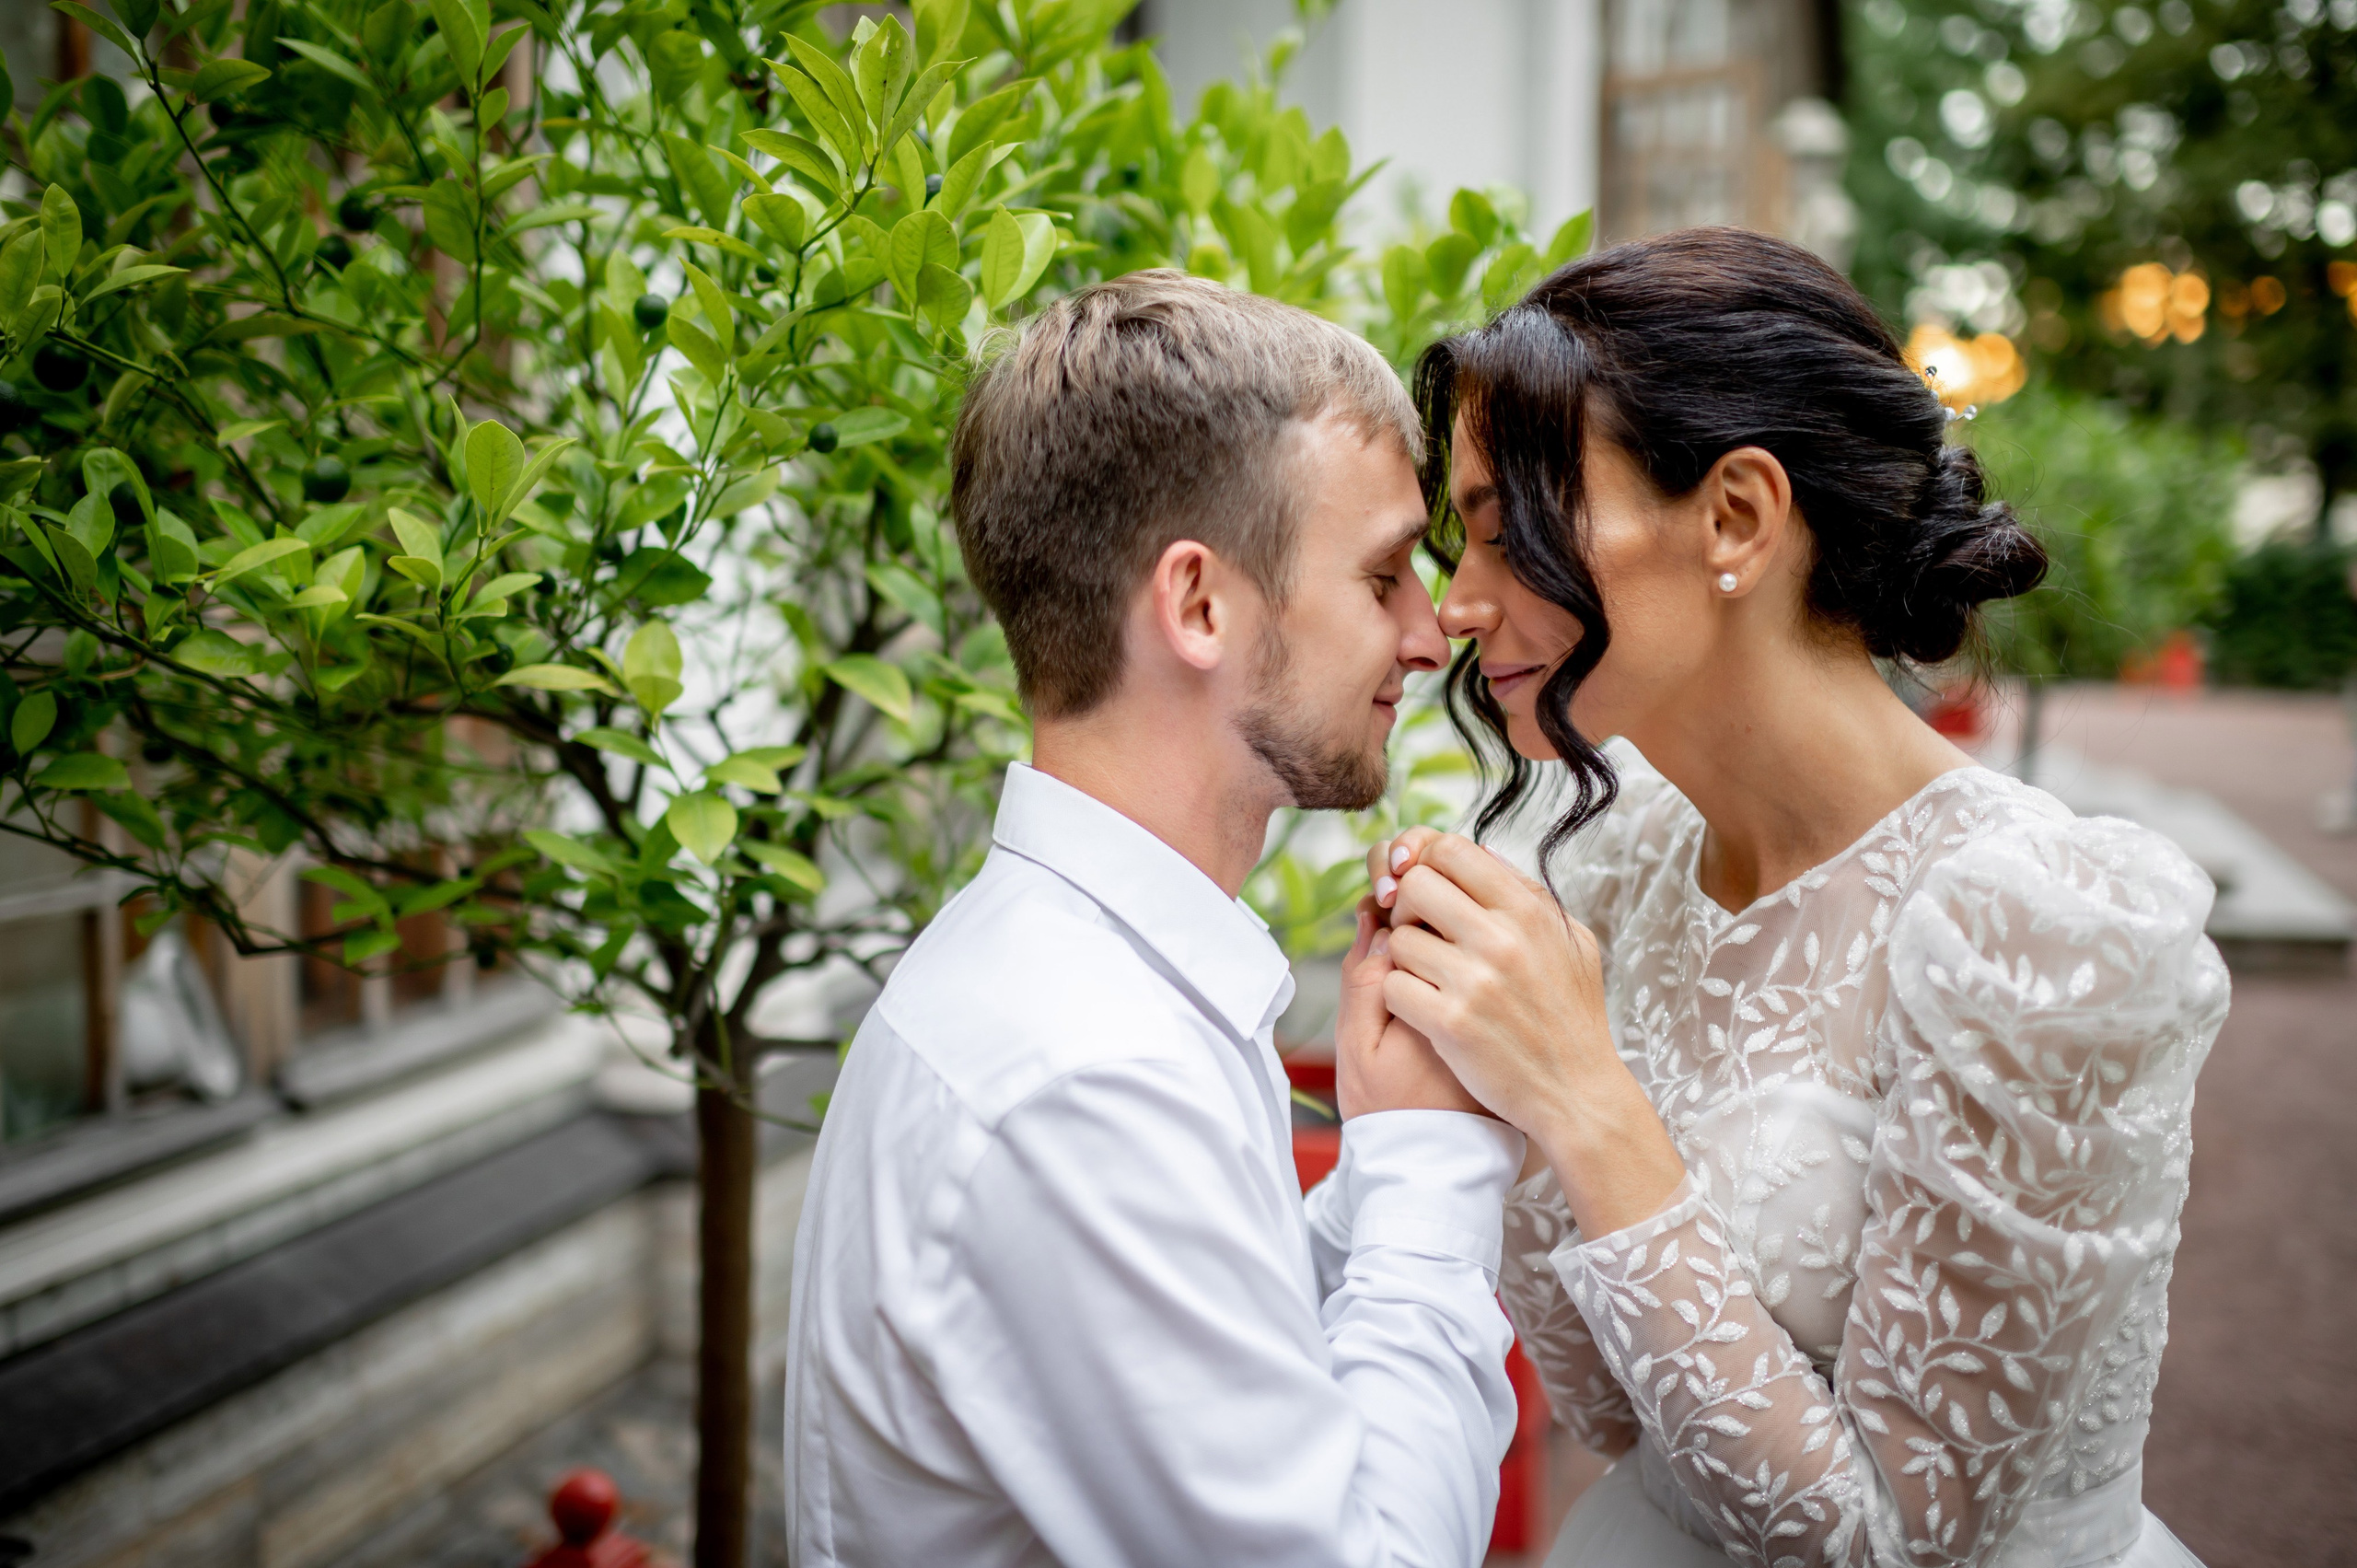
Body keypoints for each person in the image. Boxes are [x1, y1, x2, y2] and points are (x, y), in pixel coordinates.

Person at [1360, 228, 2228, 1568]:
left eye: (1507, 530)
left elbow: (1895, 1547)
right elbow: (1605, 1408)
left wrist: (1585, 1099)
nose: (1460, 607)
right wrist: (1492, 1089)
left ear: (1738, 518)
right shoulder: (1621, 863)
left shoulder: (2037, 928)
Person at [784, 271, 1534, 1567]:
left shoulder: (1093, 984)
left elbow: (1219, 1356)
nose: (1431, 633)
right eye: (1380, 576)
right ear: (1198, 606)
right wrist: (1427, 1159)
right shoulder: (1082, 1073)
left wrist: (1363, 1177)